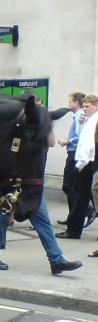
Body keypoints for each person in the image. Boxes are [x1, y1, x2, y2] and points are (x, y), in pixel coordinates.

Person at [0, 99, 82, 274]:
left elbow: (51, 142)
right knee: (3, 217)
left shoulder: (37, 126)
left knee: (42, 219)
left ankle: (56, 259)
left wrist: (46, 122)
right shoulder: (14, 126)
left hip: (31, 183)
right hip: (13, 181)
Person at [57, 95, 98, 240]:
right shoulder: (89, 120)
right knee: (83, 195)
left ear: (96, 106)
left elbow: (88, 144)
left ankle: (74, 230)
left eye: (87, 107)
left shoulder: (94, 120)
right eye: (84, 106)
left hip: (88, 162)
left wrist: (81, 163)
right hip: (88, 161)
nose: (84, 109)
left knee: (82, 195)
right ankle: (74, 229)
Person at [57, 92, 86, 225]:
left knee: (68, 186)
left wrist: (67, 141)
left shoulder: (79, 116)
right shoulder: (77, 116)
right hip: (74, 153)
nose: (69, 104)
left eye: (70, 101)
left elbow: (80, 137)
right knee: (72, 186)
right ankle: (72, 216)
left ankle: (86, 210)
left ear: (76, 103)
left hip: (74, 153)